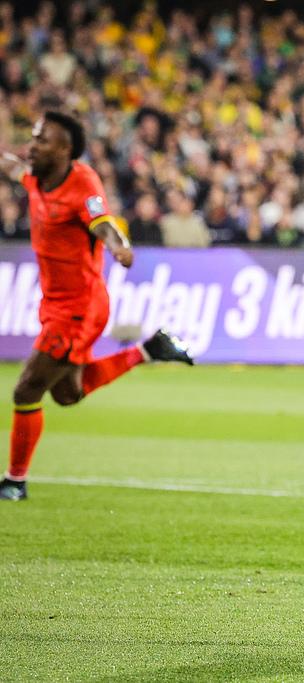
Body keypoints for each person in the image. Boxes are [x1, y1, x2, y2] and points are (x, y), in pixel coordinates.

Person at [0, 111, 194, 502]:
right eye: (33, 137)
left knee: (26, 390)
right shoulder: (36, 177)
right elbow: (13, 167)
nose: (32, 146)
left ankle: (14, 482)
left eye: (41, 140)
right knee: (66, 393)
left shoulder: (82, 182)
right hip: (56, 304)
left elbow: (102, 221)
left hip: (79, 308)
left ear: (64, 149)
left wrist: (119, 245)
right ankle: (149, 350)